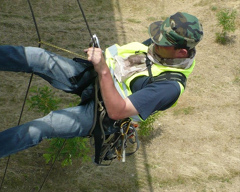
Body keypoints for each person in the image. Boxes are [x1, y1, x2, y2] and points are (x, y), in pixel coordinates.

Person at [0, 12, 203, 158]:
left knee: (40, 127)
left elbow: (117, 111)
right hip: (94, 78)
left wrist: (103, 69)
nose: (155, 42)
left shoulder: (169, 87)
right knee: (39, 57)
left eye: (162, 42)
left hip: (103, 114)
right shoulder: (161, 47)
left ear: (181, 53)